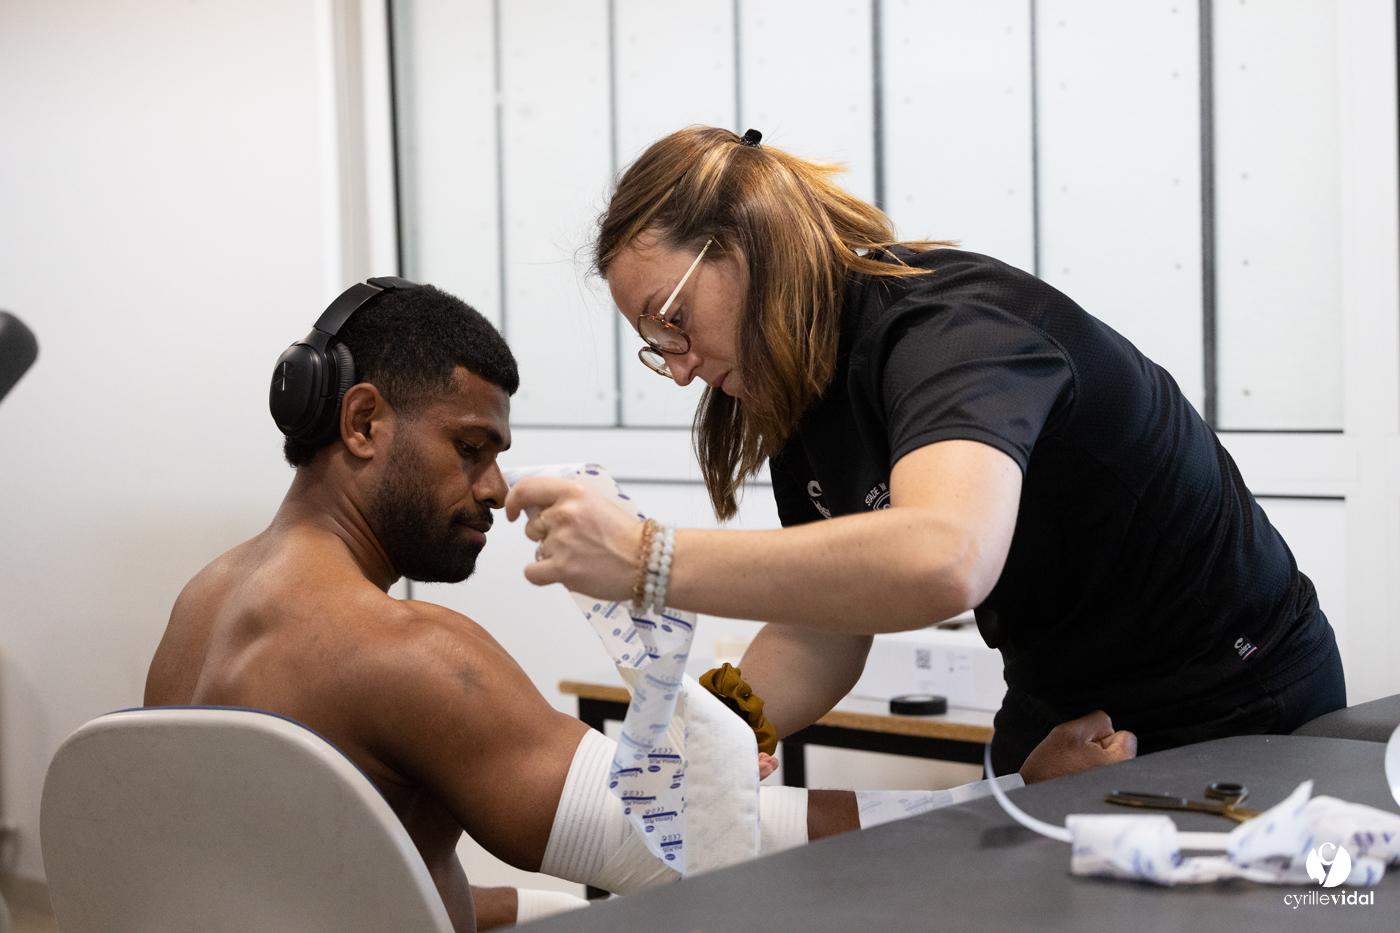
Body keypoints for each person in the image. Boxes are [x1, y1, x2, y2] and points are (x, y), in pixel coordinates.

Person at [147, 282, 1134, 931]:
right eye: (471, 447)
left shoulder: (202, 604)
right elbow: (690, 845)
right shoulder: (405, 653)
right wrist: (1002, 804)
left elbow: (327, 898)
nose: (494, 488)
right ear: (362, 421)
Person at [504, 125, 1346, 778]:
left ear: (748, 244)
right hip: (1062, 696)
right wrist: (730, 727)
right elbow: (824, 622)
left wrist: (647, 557)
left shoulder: (953, 332)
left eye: (671, 319)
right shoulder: (803, 387)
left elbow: (946, 557)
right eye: (654, 344)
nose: (679, 366)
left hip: (1234, 690)